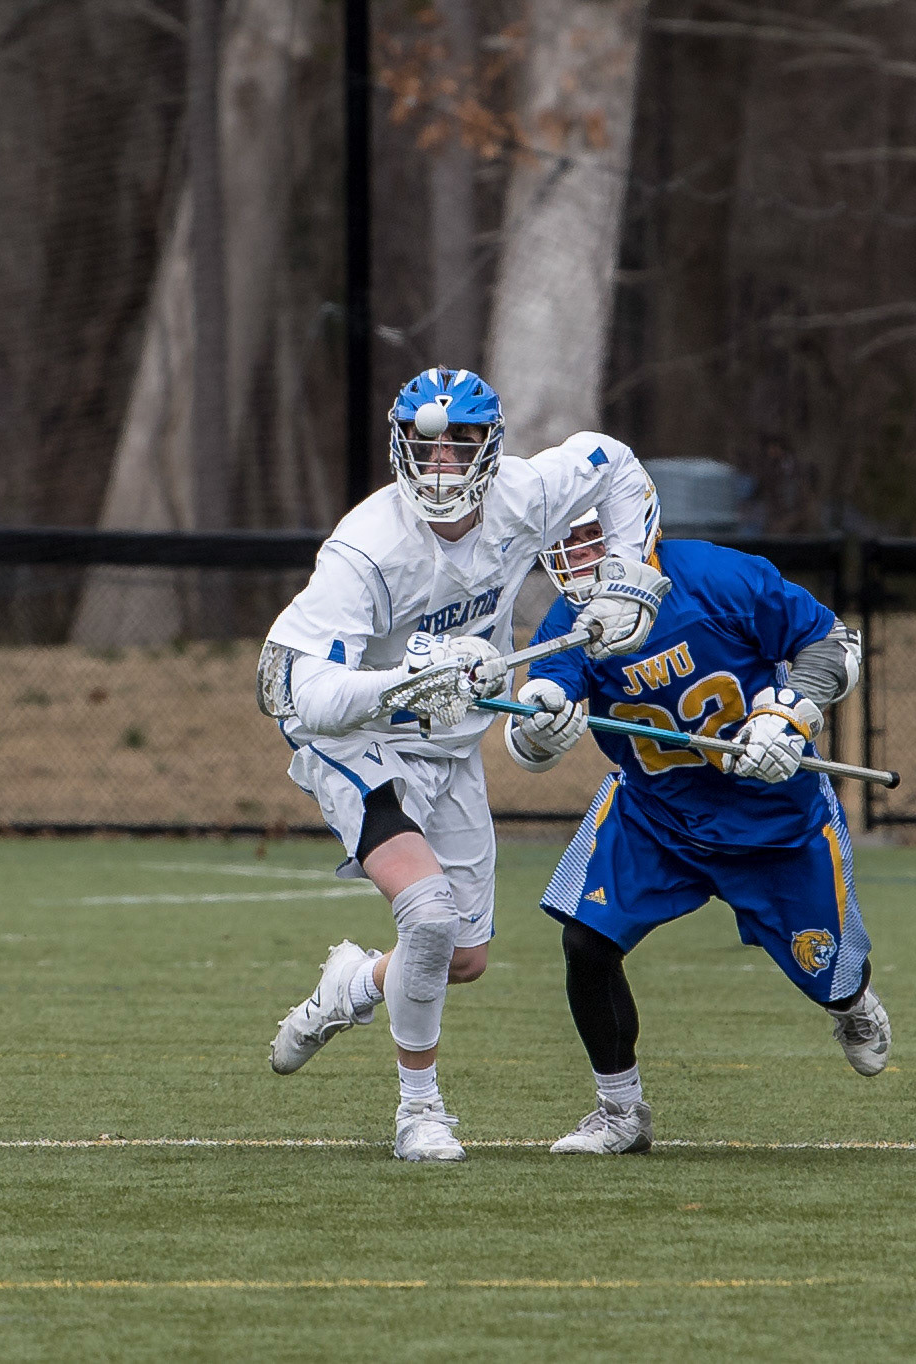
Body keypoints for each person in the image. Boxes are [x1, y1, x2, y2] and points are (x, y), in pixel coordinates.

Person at [257, 366, 670, 1162]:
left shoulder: (525, 494)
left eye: (461, 445)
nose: (441, 465)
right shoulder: (366, 550)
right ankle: (420, 1112)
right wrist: (405, 683)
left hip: (450, 745)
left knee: (464, 958)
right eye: (425, 447)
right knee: (430, 917)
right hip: (359, 740)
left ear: (491, 446)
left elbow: (613, 462)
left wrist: (624, 577)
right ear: (399, 448)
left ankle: (353, 985)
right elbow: (296, 694)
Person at [504, 491, 890, 1154]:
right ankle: (620, 1112)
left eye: (592, 537)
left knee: (826, 972)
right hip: (655, 814)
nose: (578, 558)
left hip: (771, 821)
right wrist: (539, 722)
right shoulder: (571, 619)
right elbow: (541, 720)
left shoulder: (715, 577)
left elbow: (832, 644)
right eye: (564, 541)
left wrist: (788, 715)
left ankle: (851, 1005)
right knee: (585, 946)